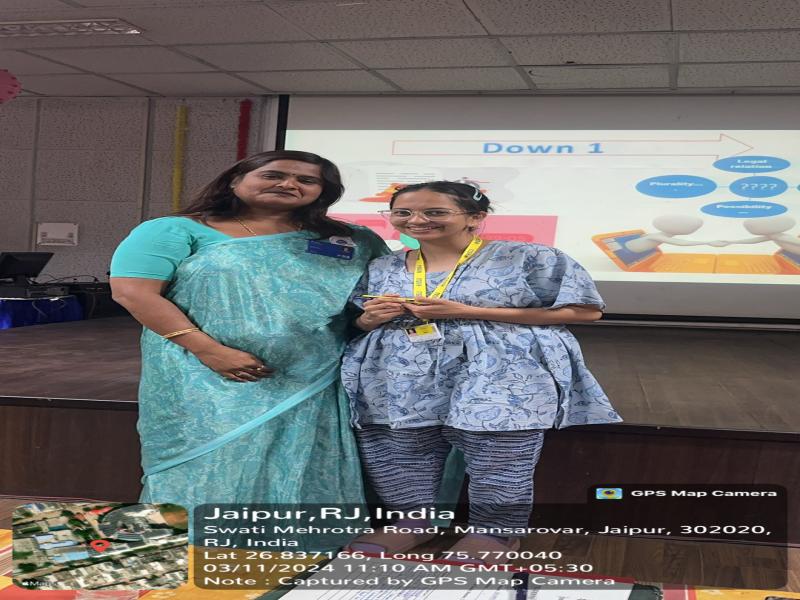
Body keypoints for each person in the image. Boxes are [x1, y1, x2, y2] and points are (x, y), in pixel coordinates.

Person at [341, 181, 621, 563]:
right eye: (403, 212)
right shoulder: (382, 266)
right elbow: (358, 320)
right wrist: (369, 319)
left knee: (500, 453)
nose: (416, 220)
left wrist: (467, 311)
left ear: (475, 217)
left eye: (434, 212)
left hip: (501, 371)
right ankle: (412, 523)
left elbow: (585, 310)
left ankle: (494, 534)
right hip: (400, 372)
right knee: (400, 448)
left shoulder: (527, 256)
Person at [110, 150, 388, 521]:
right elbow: (133, 293)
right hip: (202, 376)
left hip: (313, 378)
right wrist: (209, 351)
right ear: (234, 180)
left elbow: (376, 296)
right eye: (273, 175)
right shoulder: (174, 230)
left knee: (300, 465)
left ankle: (294, 548)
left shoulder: (353, 239)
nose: (289, 184)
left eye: (306, 180)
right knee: (207, 467)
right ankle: (194, 547)